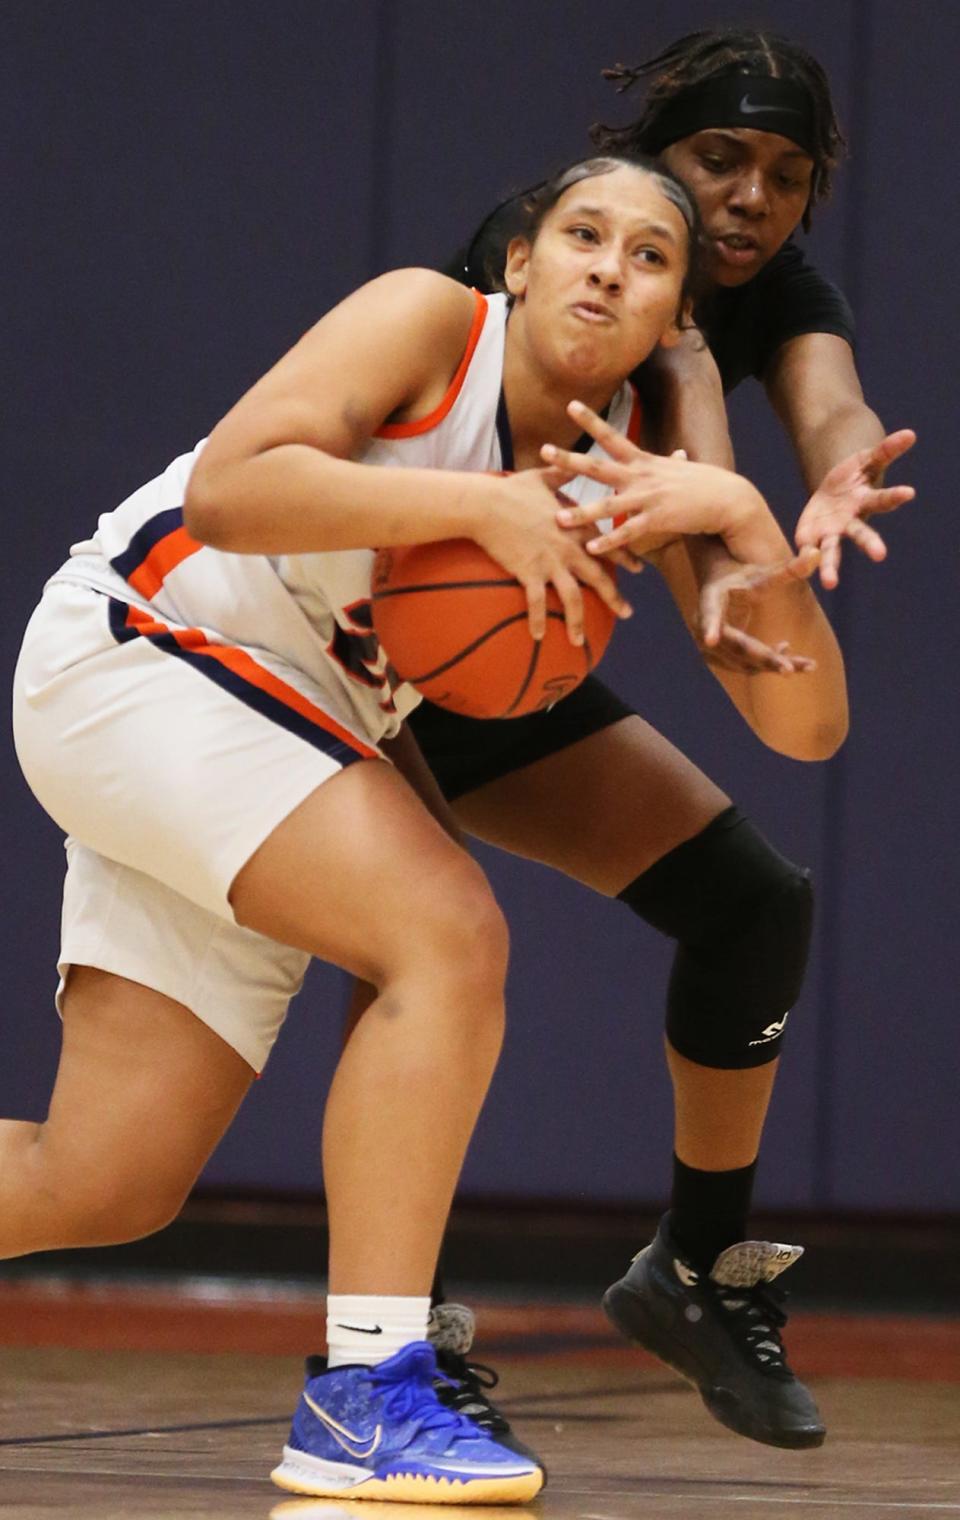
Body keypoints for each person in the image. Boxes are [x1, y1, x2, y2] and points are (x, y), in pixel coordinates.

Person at [7, 155, 853, 1503]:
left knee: (102, 1179)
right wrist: (479, 507)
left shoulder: (632, 460)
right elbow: (231, 485)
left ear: (670, 316)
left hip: (280, 722)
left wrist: (738, 508)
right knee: (446, 931)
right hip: (149, 647)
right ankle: (369, 1392)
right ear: (518, 261)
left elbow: (806, 730)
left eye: (648, 259)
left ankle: (361, 1379)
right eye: (582, 234)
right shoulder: (427, 324)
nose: (605, 267)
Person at [394, 27, 917, 1457]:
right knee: (432, 947)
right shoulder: (575, 263)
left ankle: (699, 1268)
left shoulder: (765, 287)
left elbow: (829, 400)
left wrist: (843, 465)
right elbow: (678, 469)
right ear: (634, 171)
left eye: (786, 174)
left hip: (494, 645)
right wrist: (728, 516)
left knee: (751, 903)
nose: (751, 196)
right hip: (353, 643)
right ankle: (394, 1336)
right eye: (719, 161)